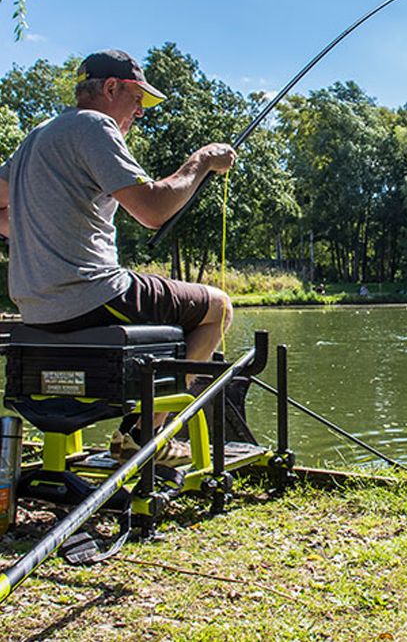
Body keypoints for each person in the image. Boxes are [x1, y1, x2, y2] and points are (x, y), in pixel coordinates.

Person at [0, 49, 235, 465]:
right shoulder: (95, 126)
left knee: (178, 307)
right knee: (217, 307)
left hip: (35, 308)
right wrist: (202, 161)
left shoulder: (37, 136)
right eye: (137, 99)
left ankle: (138, 429)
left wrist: (42, 230)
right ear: (111, 88)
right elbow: (152, 209)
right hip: (92, 295)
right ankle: (147, 435)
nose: (139, 112)